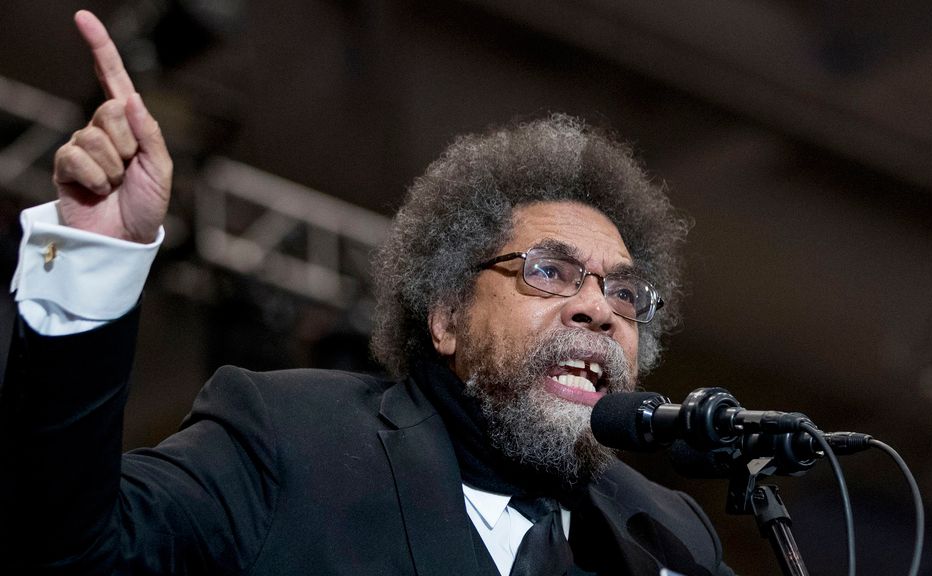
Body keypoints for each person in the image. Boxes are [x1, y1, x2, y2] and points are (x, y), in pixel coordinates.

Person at [1, 10, 733, 576]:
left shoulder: (666, 531)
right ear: (445, 314)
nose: (599, 308)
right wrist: (96, 258)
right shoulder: (291, 439)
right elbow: (65, 551)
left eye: (626, 293)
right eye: (550, 271)